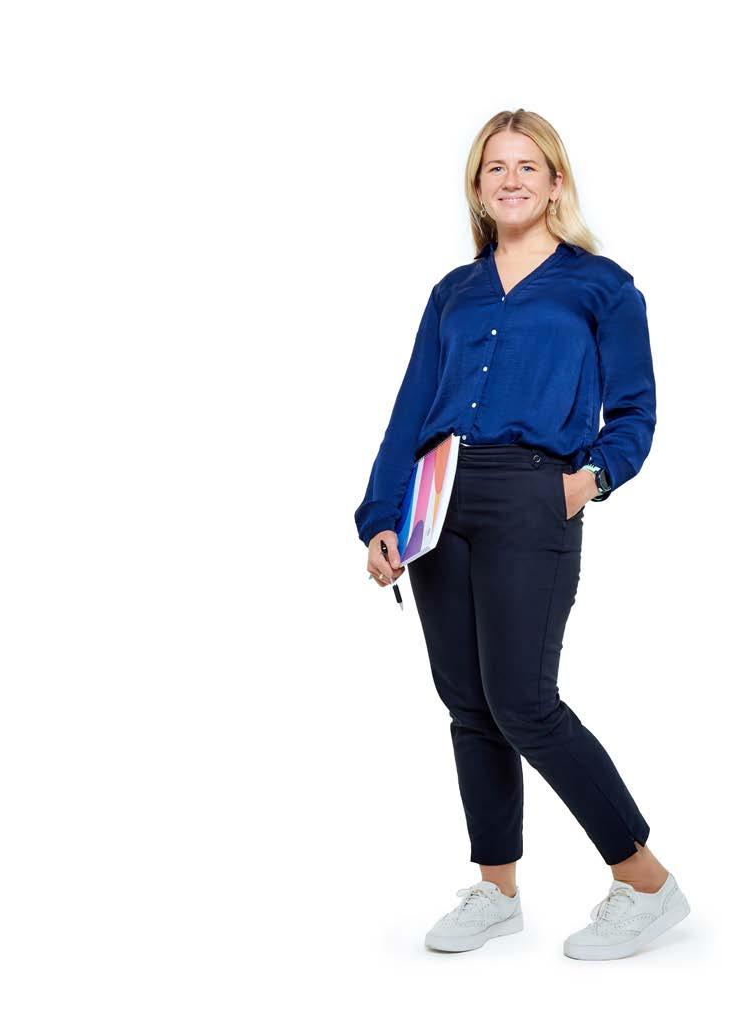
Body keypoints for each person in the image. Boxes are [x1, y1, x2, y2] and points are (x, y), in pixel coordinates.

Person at [353, 109, 690, 961]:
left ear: (554, 182)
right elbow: (410, 410)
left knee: (524, 703)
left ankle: (645, 880)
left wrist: (584, 481)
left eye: (527, 166)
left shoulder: (601, 286)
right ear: (476, 187)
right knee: (470, 704)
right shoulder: (453, 293)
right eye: (494, 167)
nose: (510, 179)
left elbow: (635, 411)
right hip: (438, 498)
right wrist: (381, 515)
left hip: (532, 492)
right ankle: (496, 889)